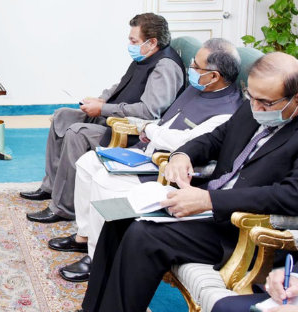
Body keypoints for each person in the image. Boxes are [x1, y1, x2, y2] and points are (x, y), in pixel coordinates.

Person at [80, 52, 298, 312]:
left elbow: (290, 195)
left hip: (240, 228)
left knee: (144, 235)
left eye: (265, 103)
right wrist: (182, 155)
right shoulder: (254, 108)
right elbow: (216, 138)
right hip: (207, 208)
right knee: (118, 214)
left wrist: (208, 200)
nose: (256, 108)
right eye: (251, 98)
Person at [51, 38, 244, 283]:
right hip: (145, 152)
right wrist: (150, 131)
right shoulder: (199, 88)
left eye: (196, 66)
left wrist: (151, 130)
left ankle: (98, 258)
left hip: (163, 168)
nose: (190, 69)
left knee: (105, 182)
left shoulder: (228, 110)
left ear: (214, 76)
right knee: (88, 162)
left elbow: (184, 143)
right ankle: (85, 237)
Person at [23, 13, 185, 224]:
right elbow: (121, 85)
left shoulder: (165, 67)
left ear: (152, 42)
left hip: (130, 131)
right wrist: (100, 99)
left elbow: (149, 111)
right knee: (62, 116)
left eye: (133, 41)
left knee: (76, 133)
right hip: (111, 116)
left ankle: (64, 207)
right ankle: (51, 187)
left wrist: (103, 109)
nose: (129, 44)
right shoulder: (144, 57)